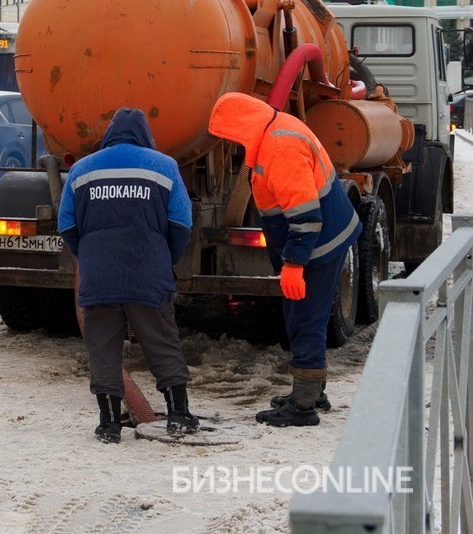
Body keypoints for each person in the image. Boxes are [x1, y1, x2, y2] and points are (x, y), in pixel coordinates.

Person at [208, 92, 362, 427]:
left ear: (241, 126)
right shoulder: (273, 131)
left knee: (305, 318)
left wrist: (294, 264)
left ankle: (303, 406)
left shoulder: (281, 147)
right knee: (303, 315)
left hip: (318, 244)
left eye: (227, 135)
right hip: (318, 240)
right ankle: (312, 391)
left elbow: (306, 216)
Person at [57, 108, 197, 443]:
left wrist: (91, 255)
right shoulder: (164, 166)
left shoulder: (80, 170)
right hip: (148, 274)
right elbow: (181, 223)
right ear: (145, 135)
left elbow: (67, 225)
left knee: (103, 347)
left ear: (109, 135)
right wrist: (165, 258)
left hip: (99, 275)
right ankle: (178, 414)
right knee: (161, 341)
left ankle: (108, 424)